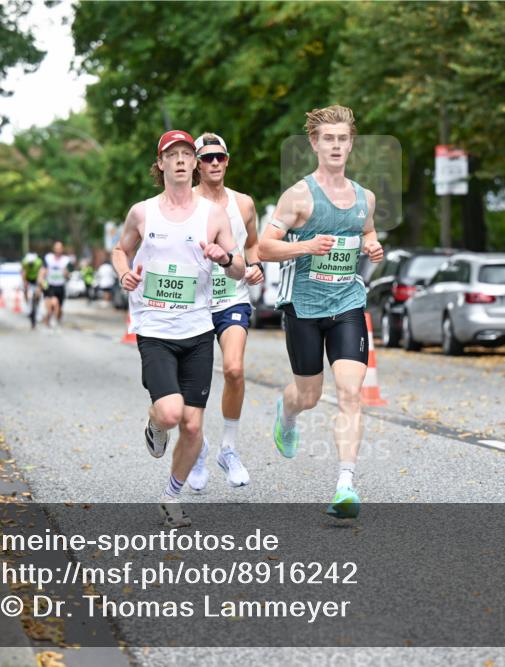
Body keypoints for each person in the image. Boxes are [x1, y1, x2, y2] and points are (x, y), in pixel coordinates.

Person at [112, 129, 246, 527]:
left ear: (194, 163)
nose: (183, 160)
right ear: (162, 164)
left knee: (192, 426)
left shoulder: (214, 215)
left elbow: (239, 269)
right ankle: (155, 423)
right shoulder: (143, 212)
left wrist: (224, 258)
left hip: (198, 330)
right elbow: (121, 250)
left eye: (188, 153)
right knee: (171, 414)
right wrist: (124, 275)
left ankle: (171, 497)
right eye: (174, 154)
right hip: (155, 328)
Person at [259, 105, 384, 519]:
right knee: (308, 395)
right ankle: (288, 413)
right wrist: (306, 247)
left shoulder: (364, 197)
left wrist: (373, 246)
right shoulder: (298, 196)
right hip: (304, 307)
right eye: (328, 139)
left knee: (351, 393)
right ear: (314, 143)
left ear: (351, 144)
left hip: (348, 302)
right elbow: (265, 248)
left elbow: (367, 232)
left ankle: (345, 484)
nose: (335, 145)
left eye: (342, 139)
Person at [184, 133, 264, 492]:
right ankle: (197, 450)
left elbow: (253, 243)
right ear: (198, 164)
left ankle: (227, 449)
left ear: (227, 161)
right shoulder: (184, 204)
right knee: (193, 384)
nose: (214, 163)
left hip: (233, 296)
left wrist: (257, 264)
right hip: (195, 303)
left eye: (220, 157)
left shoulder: (243, 203)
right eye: (207, 158)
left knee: (233, 369)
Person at [42, 241, 72, 329]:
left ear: (62, 249)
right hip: (50, 285)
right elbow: (43, 270)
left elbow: (69, 274)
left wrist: (66, 273)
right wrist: (42, 281)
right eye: (56, 248)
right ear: (54, 249)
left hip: (60, 286)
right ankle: (53, 322)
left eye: (60, 248)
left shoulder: (66, 260)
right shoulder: (48, 258)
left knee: (59, 309)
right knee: (54, 303)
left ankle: (51, 319)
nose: (58, 250)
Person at [21, 251, 44, 328]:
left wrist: (39, 285)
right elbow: (23, 274)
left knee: (38, 292)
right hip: (28, 279)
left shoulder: (38, 262)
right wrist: (25, 284)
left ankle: (37, 307)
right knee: (25, 291)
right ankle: (28, 305)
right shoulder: (25, 263)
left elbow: (40, 274)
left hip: (36, 279)